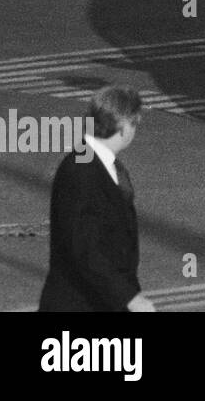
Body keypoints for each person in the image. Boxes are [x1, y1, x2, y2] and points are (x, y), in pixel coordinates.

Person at [39, 85, 155, 312]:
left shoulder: (98, 163)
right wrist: (130, 298)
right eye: (134, 123)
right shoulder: (81, 172)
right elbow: (86, 249)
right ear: (123, 128)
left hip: (102, 301)